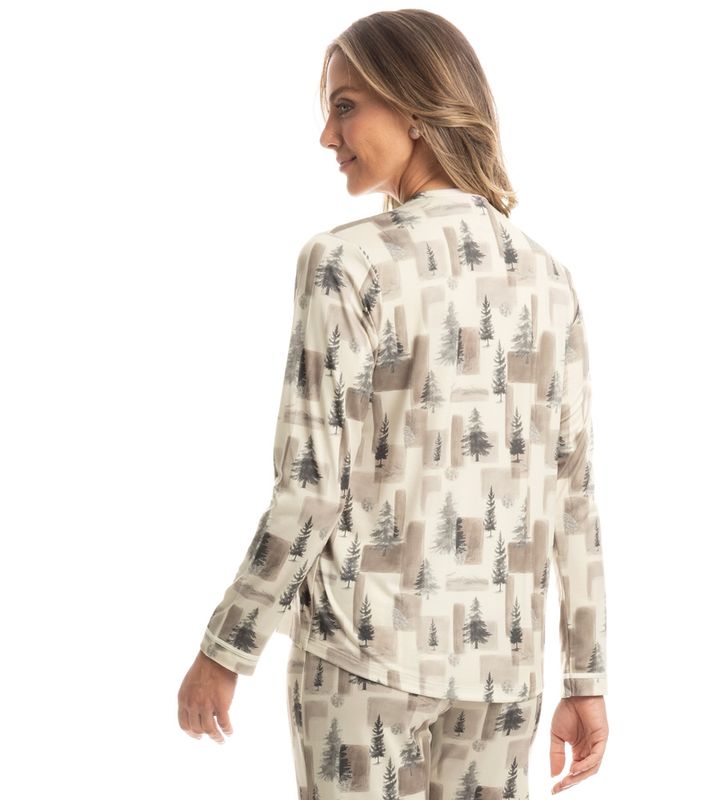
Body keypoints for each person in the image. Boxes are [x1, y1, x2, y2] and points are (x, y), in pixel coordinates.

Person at [178, 9, 610, 798]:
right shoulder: (549, 278)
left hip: (360, 656)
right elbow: (571, 497)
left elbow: (312, 486)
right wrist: (586, 678)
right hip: (503, 675)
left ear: (415, 107)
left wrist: (227, 646)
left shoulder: (345, 262)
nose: (327, 135)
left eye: (345, 106)